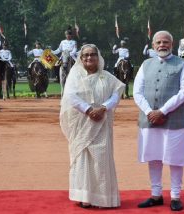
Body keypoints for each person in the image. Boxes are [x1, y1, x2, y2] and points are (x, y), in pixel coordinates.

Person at [59, 44, 125, 209]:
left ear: (98, 57)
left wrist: (102, 108)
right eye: (86, 55)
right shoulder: (75, 76)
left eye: (93, 55)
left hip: (101, 122)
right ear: (81, 58)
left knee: (101, 159)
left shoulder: (107, 77)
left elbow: (116, 94)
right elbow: (70, 96)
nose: (89, 58)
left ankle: (103, 198)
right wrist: (88, 110)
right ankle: (85, 197)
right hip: (81, 123)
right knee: (82, 159)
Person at [133, 31, 184, 212]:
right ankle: (156, 195)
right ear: (153, 45)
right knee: (154, 157)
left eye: (165, 42)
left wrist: (163, 111)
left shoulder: (183, 64)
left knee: (175, 159)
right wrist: (151, 112)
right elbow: (137, 92)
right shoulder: (145, 64)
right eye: (158, 42)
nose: (162, 45)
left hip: (174, 121)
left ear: (172, 44)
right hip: (149, 119)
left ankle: (175, 196)